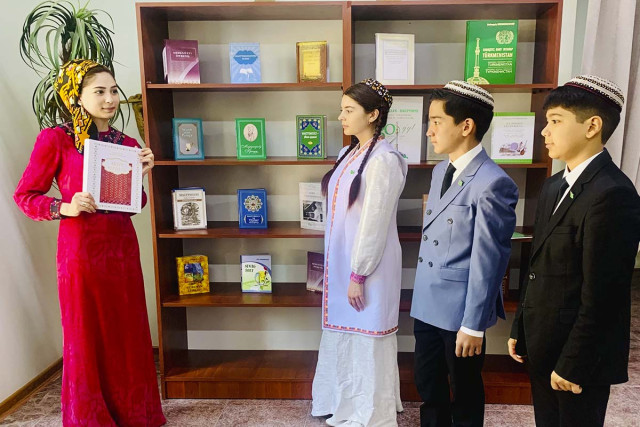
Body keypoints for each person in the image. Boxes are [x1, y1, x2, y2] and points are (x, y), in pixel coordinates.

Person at [14, 59, 165, 426]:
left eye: (113, 91)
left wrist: (142, 174)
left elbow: (134, 205)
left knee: (126, 332)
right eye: (99, 92)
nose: (110, 99)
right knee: (86, 334)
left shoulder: (127, 144)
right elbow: (25, 195)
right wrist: (65, 206)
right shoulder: (56, 139)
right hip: (79, 252)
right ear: (76, 97)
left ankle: (134, 414)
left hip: (121, 250)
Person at [508, 75, 640, 427]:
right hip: (544, 341)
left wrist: (574, 362)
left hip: (579, 356)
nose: (544, 132)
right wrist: (521, 327)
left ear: (592, 126)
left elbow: (605, 295)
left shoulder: (613, 194)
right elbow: (538, 266)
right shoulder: (553, 186)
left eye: (555, 121)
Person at [412, 81, 518, 427]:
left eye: (436, 121)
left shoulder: (493, 182)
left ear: (466, 126)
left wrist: (473, 324)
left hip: (460, 312)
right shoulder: (440, 170)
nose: (429, 131)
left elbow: (489, 262)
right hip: (427, 301)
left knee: (465, 391)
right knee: (428, 385)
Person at [311, 79, 407, 426]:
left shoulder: (384, 160)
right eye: (342, 109)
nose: (341, 117)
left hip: (369, 266)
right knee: (343, 330)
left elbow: (374, 223)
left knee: (367, 331)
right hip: (342, 262)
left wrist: (359, 273)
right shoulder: (348, 154)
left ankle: (369, 410)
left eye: (349, 110)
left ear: (373, 114)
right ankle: (339, 401)